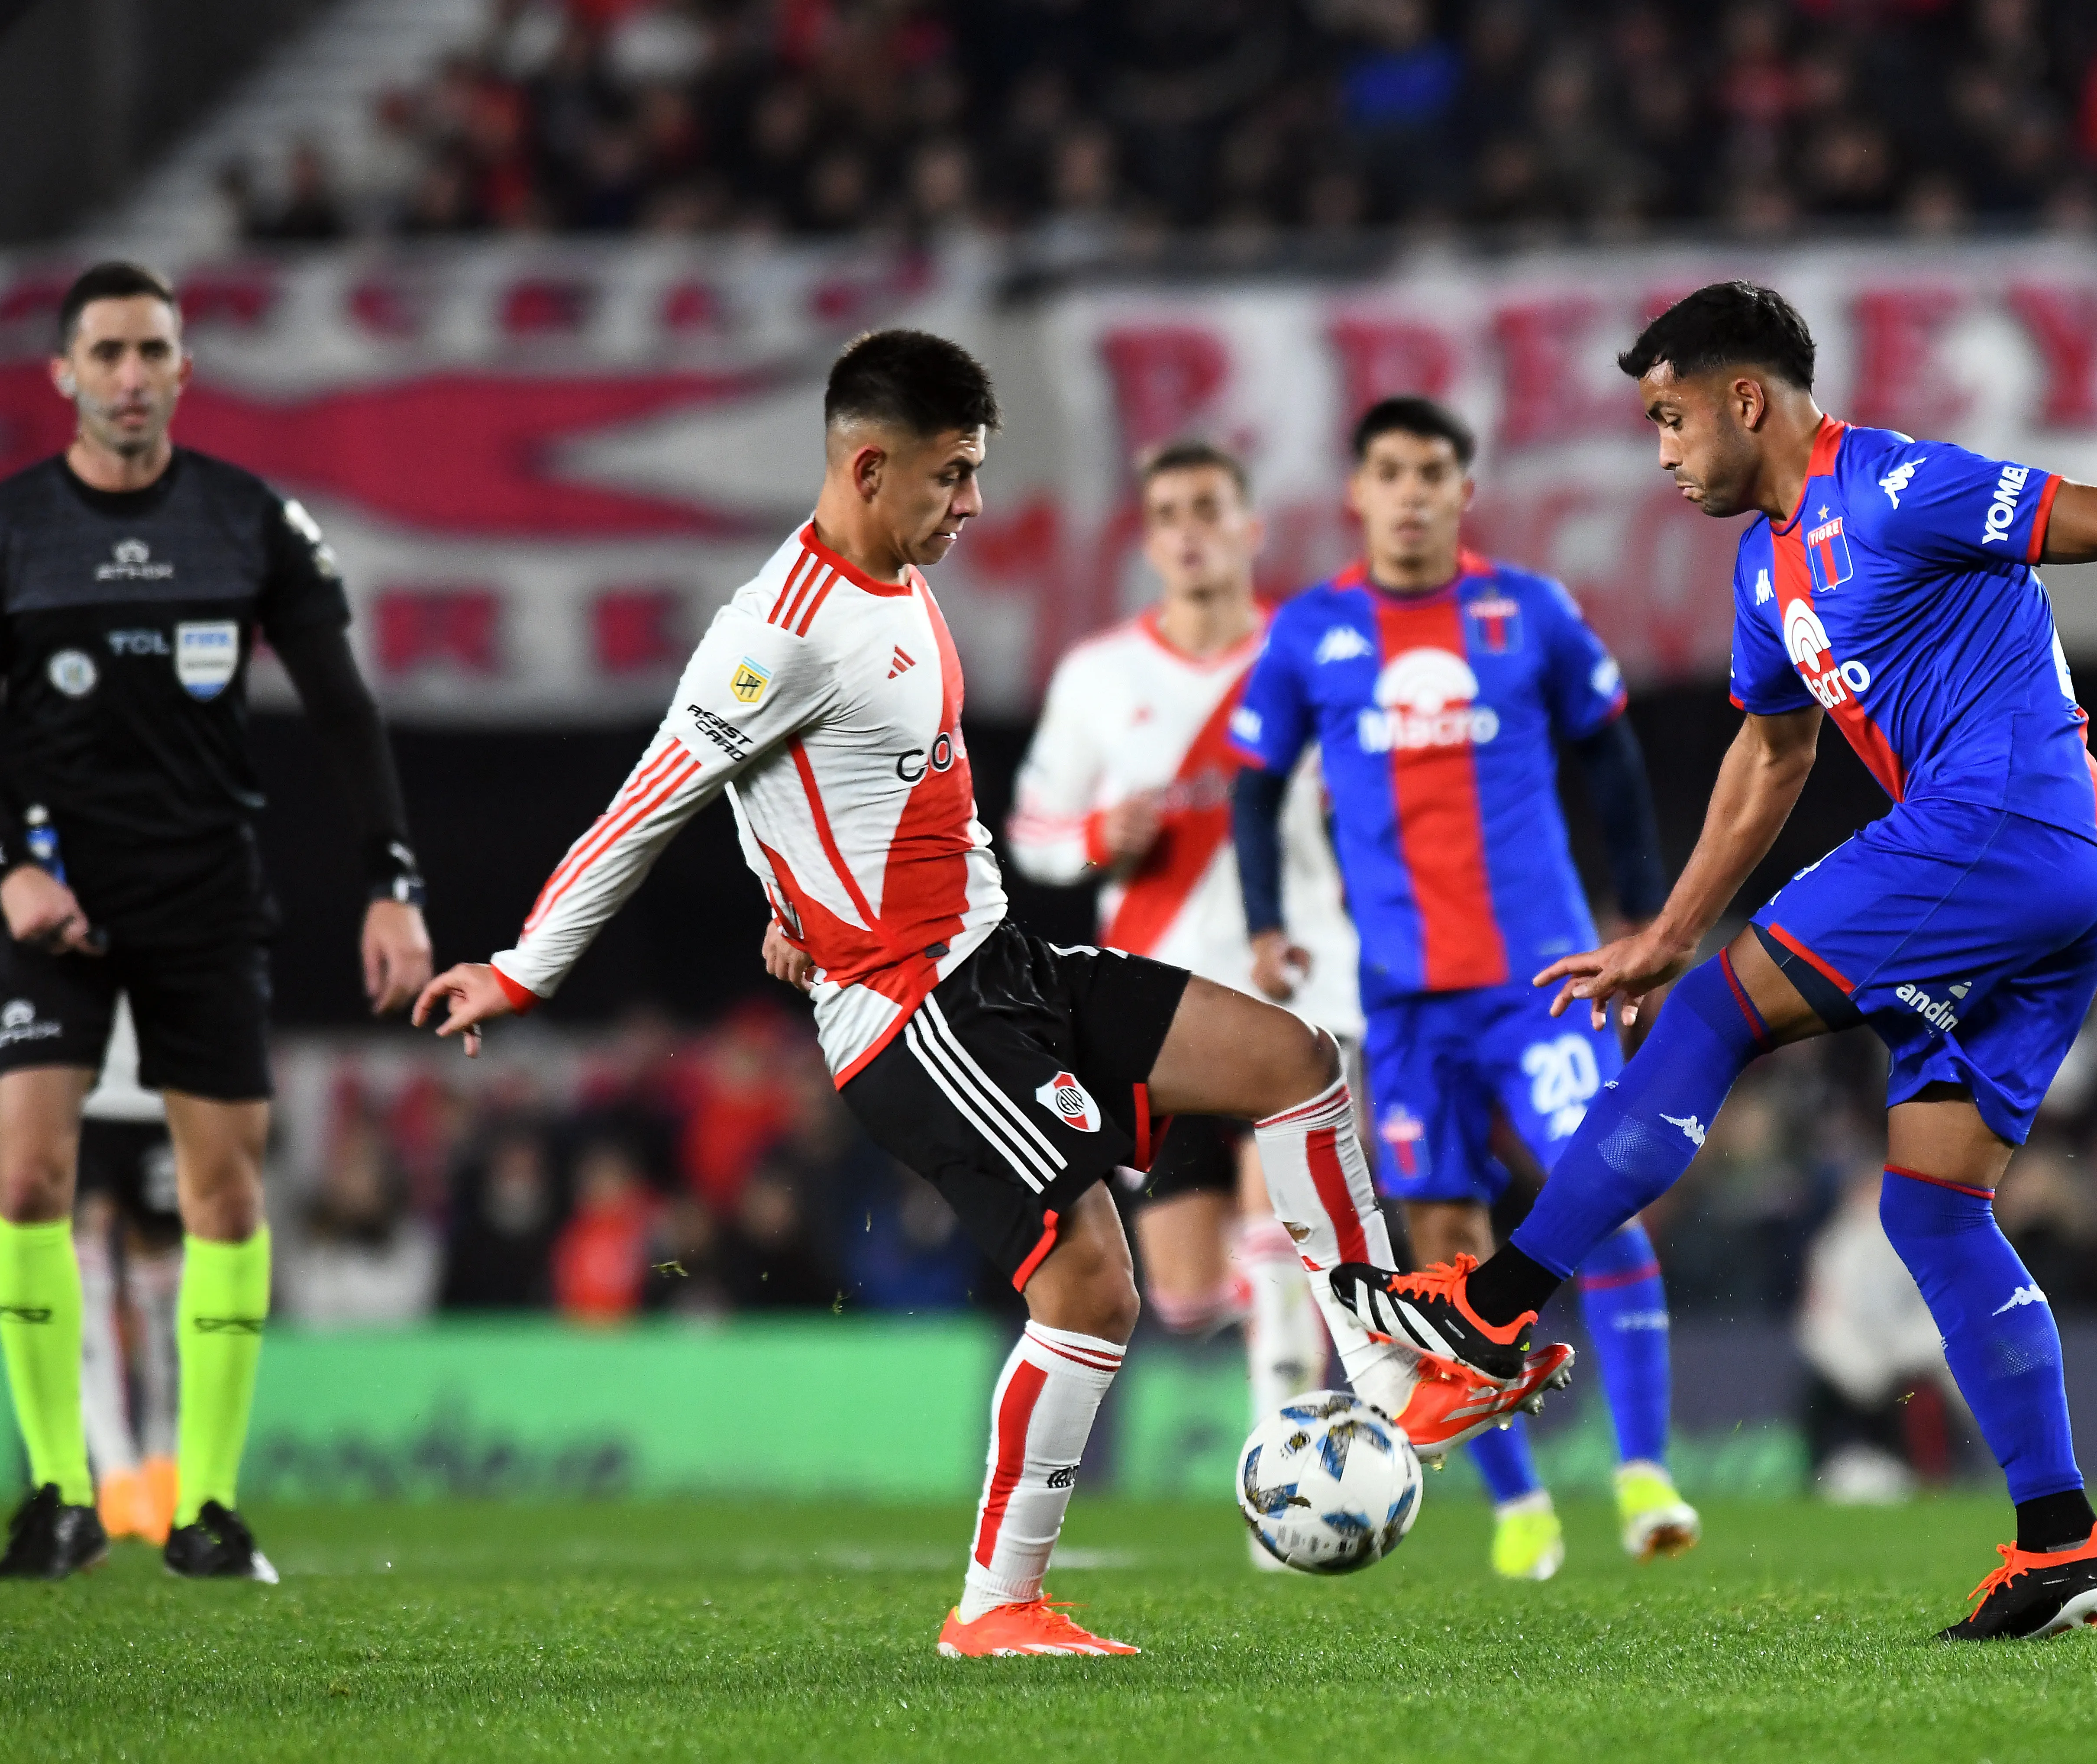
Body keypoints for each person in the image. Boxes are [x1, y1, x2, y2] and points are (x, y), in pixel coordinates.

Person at [413, 330, 1569, 1659]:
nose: (971, 503)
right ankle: (997, 1604)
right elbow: (654, 798)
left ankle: (1382, 1377)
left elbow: (809, 790)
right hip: (915, 1013)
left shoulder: (897, 580)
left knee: (1295, 1062)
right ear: (868, 463)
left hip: (1002, 962)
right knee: (1091, 1289)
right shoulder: (775, 632)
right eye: (953, 476)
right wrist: (519, 968)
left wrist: (788, 898)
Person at [1332, 281, 2097, 1639]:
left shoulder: (1894, 484)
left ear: (1743, 399)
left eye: (1668, 420)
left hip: (1996, 825)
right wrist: (1665, 933)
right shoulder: (1764, 566)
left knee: (1717, 1021)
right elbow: (1772, 752)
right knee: (1930, 1209)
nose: (1660, 452)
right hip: (2058, 880)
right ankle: (2061, 1538)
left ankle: (1491, 1309)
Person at [0, 260, 433, 1582]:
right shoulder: (1, 532)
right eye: (108, 353)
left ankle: (206, 1508)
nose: (133, 376)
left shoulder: (250, 522)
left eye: (154, 351)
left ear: (185, 371)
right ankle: (56, 1495)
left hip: (205, 898)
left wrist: (393, 880)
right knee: (32, 1173)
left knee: (223, 1194)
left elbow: (344, 710)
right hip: (56, 905)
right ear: (66, 374)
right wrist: (5, 869)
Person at [1228, 396, 1694, 1581]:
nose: (1413, 492)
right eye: (1389, 471)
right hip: (1404, 1000)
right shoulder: (1308, 632)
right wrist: (1268, 923)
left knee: (1601, 1192)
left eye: (1433, 470)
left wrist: (1639, 909)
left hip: (1537, 976)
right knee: (1443, 1243)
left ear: (1462, 490)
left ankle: (1641, 1472)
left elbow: (1609, 753)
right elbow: (1251, 781)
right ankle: (1519, 1504)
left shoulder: (1526, 612)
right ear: (1358, 492)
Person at [1005, 437, 1358, 1566]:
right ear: (1148, 539)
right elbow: (1032, 830)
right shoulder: (1099, 678)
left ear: (1252, 528)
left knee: (1281, 1229)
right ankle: (1295, 1374)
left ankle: (1288, 1497)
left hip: (1295, 985)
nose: (1190, 529)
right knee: (1185, 1291)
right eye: (1168, 512)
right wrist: (1093, 838)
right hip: (1155, 1011)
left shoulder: (1310, 655)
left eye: (1210, 507)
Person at [0, 830, 183, 1546]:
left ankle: (165, 1465)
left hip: (159, 1078)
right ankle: (116, 1472)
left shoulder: (162, 789)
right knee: (83, 1267)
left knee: (161, 1274)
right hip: (66, 1073)